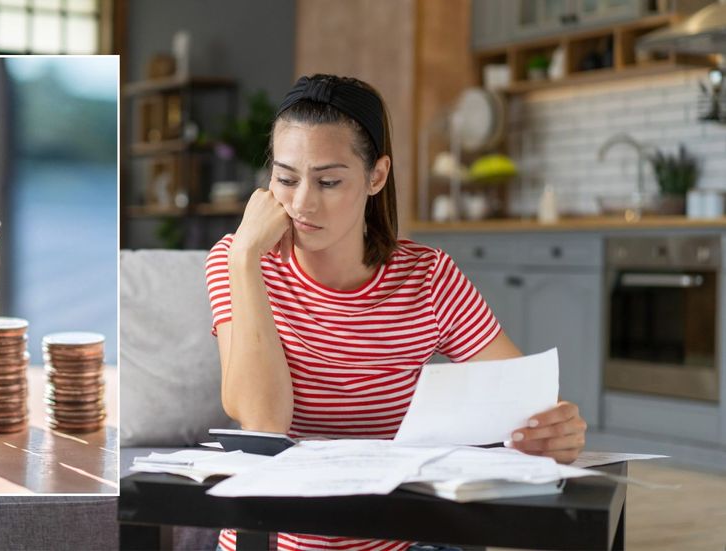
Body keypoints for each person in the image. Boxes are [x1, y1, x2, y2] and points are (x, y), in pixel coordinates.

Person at [204, 74, 587, 551]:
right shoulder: (236, 260)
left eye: (328, 181)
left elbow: (523, 399)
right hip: (271, 541)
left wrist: (554, 430)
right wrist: (245, 260)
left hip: (401, 539)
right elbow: (263, 424)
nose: (301, 203)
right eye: (285, 179)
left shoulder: (427, 277)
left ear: (376, 176)